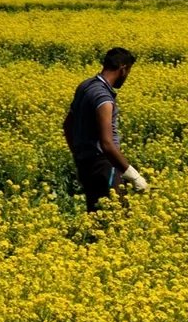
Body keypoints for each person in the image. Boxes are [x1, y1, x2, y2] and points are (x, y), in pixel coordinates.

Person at [63, 47, 148, 211]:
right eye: (128, 72)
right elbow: (107, 144)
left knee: (96, 216)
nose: (126, 77)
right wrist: (133, 175)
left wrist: (79, 157)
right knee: (118, 218)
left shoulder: (85, 86)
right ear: (123, 69)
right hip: (104, 166)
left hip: (87, 165)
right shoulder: (103, 98)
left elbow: (67, 125)